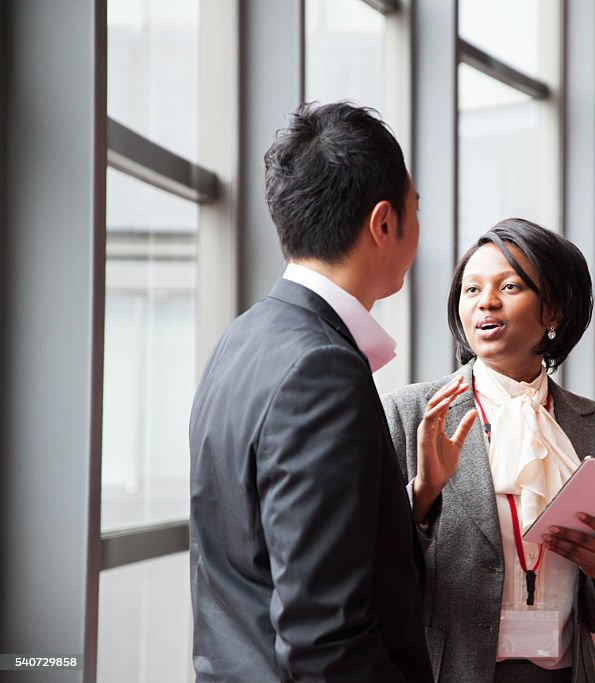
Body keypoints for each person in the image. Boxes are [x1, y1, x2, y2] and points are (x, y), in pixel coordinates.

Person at [189, 101, 432, 682]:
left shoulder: (244, 336)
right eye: (415, 209)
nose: (419, 228)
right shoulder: (321, 369)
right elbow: (325, 640)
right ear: (383, 223)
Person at [382, 218, 595, 682]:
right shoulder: (412, 412)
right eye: (472, 289)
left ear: (554, 310)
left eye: (510, 285)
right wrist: (422, 495)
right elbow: (371, 568)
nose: (487, 302)